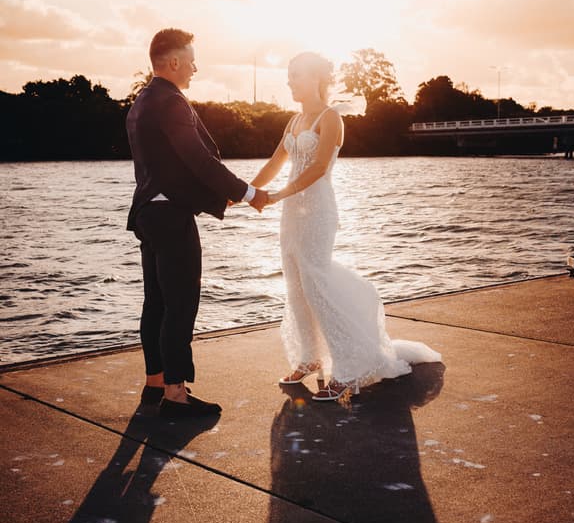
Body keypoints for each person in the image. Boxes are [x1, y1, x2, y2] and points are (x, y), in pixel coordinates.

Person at [251, 51, 441, 401]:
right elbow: (275, 163)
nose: (289, 81)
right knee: (295, 285)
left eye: (296, 75)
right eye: (289, 75)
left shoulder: (331, 119)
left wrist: (278, 195)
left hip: (318, 210)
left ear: (315, 79)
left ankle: (347, 367)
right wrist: (244, 193)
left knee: (317, 283)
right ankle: (309, 357)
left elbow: (320, 166)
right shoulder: (293, 121)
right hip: (291, 214)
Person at [126, 28, 268, 418]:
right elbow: (198, 160)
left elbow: (169, 163)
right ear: (172, 62)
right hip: (171, 215)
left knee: (156, 302)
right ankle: (176, 393)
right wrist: (249, 194)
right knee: (181, 303)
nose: (195, 68)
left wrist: (215, 194)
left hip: (147, 213)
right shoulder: (170, 102)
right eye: (190, 60)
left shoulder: (141, 101)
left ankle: (155, 384)